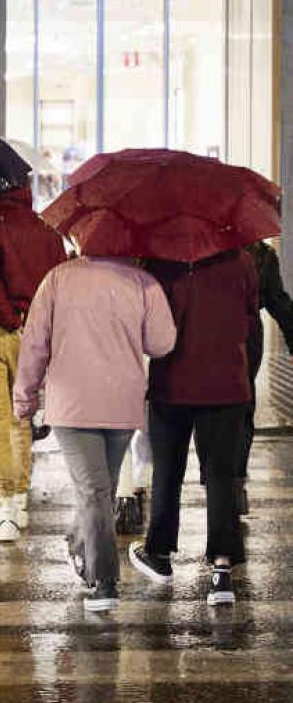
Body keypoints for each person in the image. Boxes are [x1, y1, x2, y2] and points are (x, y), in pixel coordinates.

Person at [13, 254, 175, 612]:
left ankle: (103, 580)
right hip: (121, 400)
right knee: (98, 488)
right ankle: (96, 565)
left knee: (94, 490)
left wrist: (24, 398)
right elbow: (163, 343)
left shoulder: (57, 277)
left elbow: (35, 342)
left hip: (72, 402)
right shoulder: (142, 282)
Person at [130, 249, 258, 607]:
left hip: (172, 383)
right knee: (221, 475)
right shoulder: (241, 261)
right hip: (228, 384)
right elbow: (250, 317)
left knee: (168, 473)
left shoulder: (160, 262)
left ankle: (160, 554)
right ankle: (221, 570)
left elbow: (150, 326)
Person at [0, 183, 66, 542]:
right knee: (22, 415)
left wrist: (7, 316)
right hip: (34, 331)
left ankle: (6, 505)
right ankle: (20, 497)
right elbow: (59, 281)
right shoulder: (46, 228)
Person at [237, 240, 293, 514]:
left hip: (206, 333)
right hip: (247, 338)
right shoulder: (260, 253)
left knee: (212, 410)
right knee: (243, 405)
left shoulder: (202, 245)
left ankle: (219, 480)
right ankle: (235, 483)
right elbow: (277, 301)